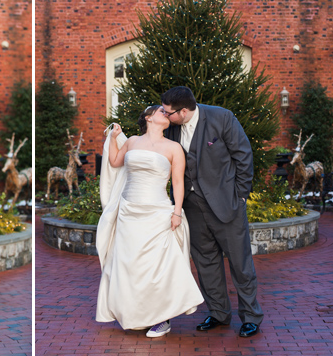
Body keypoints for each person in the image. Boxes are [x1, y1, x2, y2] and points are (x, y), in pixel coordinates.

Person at [161, 86, 263, 338]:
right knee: (206, 263)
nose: (164, 115)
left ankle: (250, 317)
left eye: (168, 112)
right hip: (191, 206)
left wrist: (240, 195)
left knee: (240, 263)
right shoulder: (171, 126)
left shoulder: (222, 117)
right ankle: (219, 313)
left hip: (226, 203)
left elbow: (243, 155)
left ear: (184, 111)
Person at [95, 105, 204, 337]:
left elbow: (178, 183)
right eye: (161, 111)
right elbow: (115, 162)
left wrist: (176, 212)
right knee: (130, 265)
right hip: (129, 213)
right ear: (148, 117)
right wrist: (113, 138)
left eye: (168, 112)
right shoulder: (132, 141)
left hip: (158, 213)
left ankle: (162, 319)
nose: (167, 113)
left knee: (158, 266)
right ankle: (138, 315)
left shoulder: (174, 148)